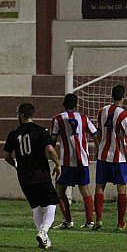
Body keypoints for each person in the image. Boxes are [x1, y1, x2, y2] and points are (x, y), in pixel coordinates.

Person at [4, 103, 61, 249]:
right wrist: (57, 163)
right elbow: (50, 149)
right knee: (52, 203)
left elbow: (7, 156)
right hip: (40, 174)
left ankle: (45, 240)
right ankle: (43, 232)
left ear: (22, 115)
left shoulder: (14, 134)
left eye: (18, 113)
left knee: (36, 207)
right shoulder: (41, 131)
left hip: (24, 177)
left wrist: (17, 165)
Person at [93, 84, 127, 231]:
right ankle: (121, 223)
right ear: (124, 97)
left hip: (103, 156)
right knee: (121, 189)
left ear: (112, 96)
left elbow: (98, 133)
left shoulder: (101, 111)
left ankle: (98, 220)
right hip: (119, 158)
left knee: (99, 186)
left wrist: (99, 148)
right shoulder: (124, 115)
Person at [51, 93, 98, 229]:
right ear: (76, 104)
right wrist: (98, 150)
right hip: (82, 160)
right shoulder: (83, 118)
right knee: (85, 190)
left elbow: (52, 140)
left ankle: (67, 221)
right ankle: (90, 222)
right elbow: (95, 134)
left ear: (64, 104)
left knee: (59, 190)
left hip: (67, 162)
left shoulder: (58, 119)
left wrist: (49, 153)